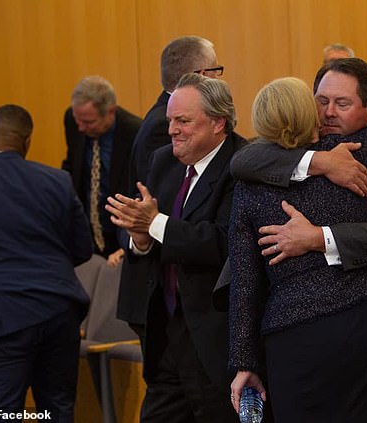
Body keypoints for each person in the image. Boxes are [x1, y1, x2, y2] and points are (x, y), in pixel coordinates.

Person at [225, 58, 367, 420]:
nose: (329, 112)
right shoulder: (272, 165)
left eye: (342, 103)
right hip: (332, 327)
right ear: (308, 108)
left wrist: (319, 238)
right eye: (322, 101)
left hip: (336, 329)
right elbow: (246, 279)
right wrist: (321, 161)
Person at [106, 73, 245, 423]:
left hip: (216, 339)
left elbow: (223, 242)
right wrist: (138, 239)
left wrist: (152, 224)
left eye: (183, 121)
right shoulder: (164, 161)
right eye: (170, 120)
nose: (172, 130)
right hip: (165, 332)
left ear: (218, 123)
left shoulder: (241, 165)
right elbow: (149, 234)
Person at [0, 105, 93, 421]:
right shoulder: (58, 181)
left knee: (4, 413)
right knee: (57, 409)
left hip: (1, 318)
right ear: (27, 142)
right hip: (59, 311)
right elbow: (83, 248)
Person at [118, 35, 222, 341]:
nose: (176, 129)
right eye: (217, 71)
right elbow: (172, 211)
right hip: (162, 294)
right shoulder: (163, 133)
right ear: (202, 77)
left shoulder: (158, 118)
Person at [62, 75, 142, 265]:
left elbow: (141, 189)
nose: (80, 127)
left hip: (119, 231)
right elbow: (72, 166)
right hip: (85, 233)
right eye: (78, 120)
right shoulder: (73, 120)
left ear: (110, 112)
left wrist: (129, 241)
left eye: (89, 122)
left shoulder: (135, 132)